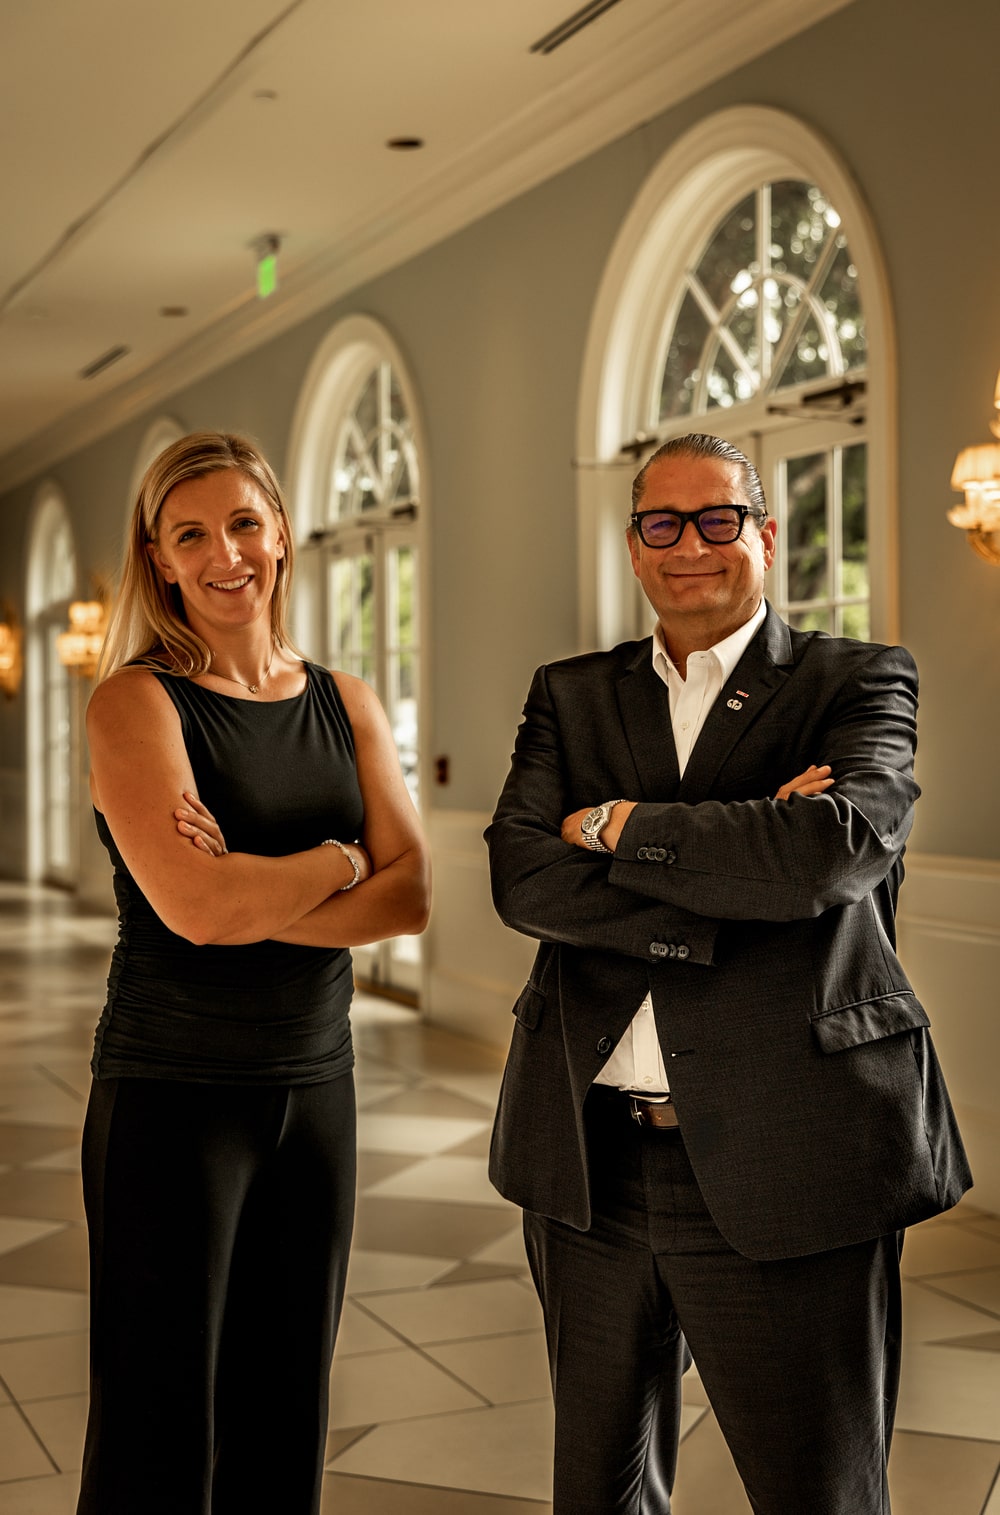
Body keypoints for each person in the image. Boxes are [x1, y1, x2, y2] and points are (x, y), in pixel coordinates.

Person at [485, 432, 970, 1515]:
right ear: (632, 545)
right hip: (590, 1158)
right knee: (598, 1490)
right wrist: (739, 864)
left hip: (789, 1147)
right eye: (663, 523)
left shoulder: (856, 680)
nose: (690, 545)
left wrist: (615, 826)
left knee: (818, 1491)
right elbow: (522, 880)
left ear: (764, 533)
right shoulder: (571, 695)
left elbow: (832, 852)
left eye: (717, 520)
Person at [78, 431, 430, 1515]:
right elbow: (193, 909)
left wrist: (251, 895)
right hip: (171, 1096)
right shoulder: (135, 704)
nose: (225, 553)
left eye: (243, 523)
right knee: (157, 1428)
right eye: (192, 535)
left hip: (316, 1092)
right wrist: (338, 860)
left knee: (286, 1418)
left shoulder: (348, 699)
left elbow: (412, 897)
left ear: (280, 530)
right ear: (160, 558)